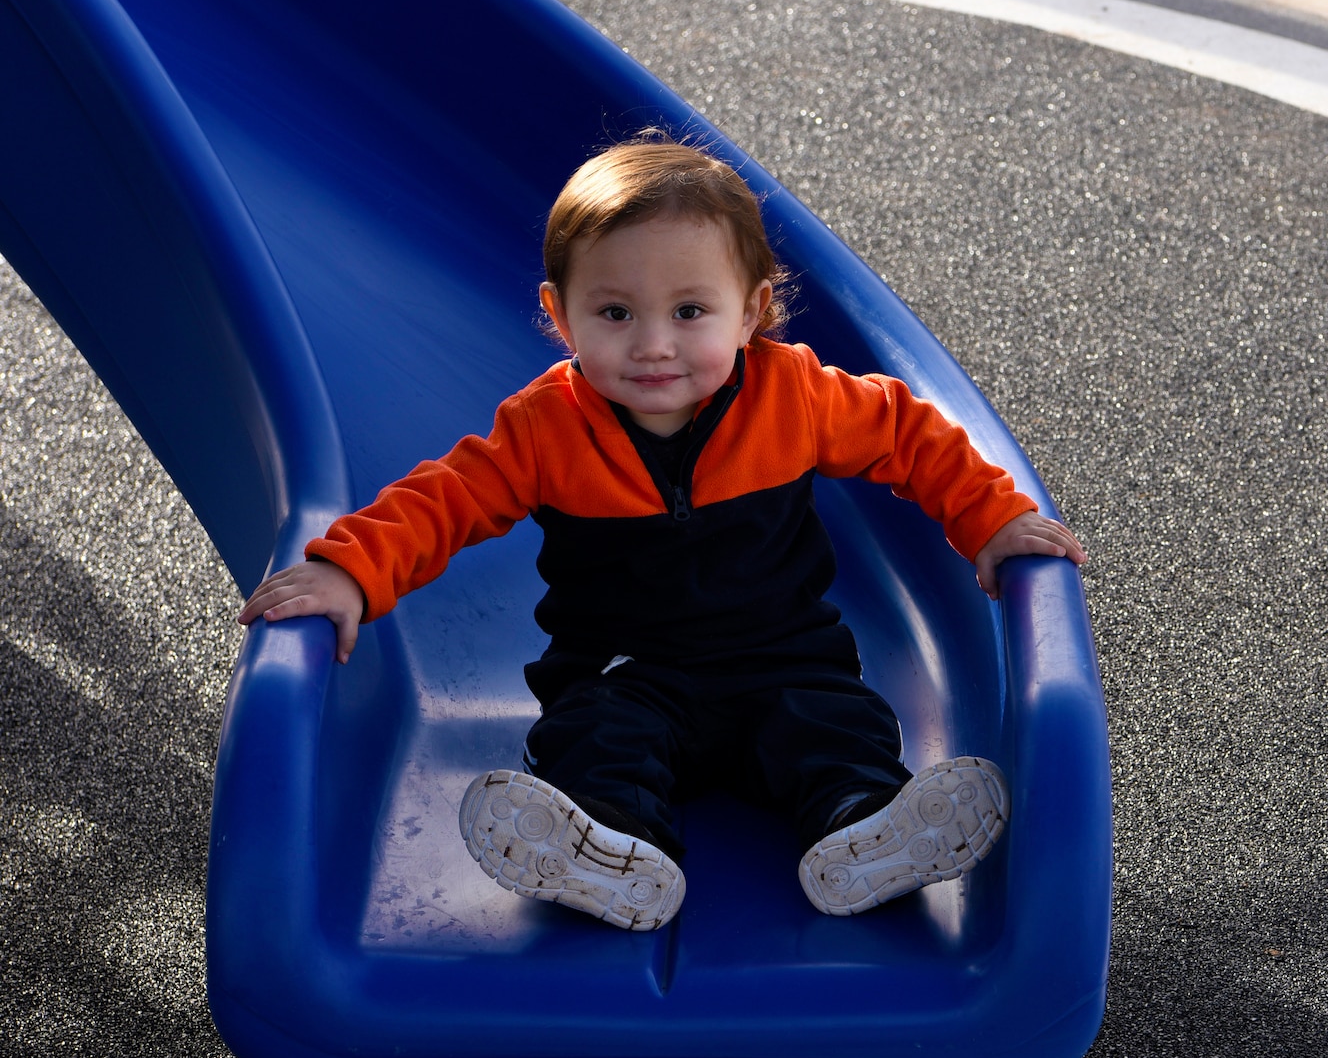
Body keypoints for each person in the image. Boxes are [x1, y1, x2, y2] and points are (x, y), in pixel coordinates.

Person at [236, 136, 1084, 932]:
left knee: (837, 729)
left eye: (688, 311)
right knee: (597, 743)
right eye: (613, 312)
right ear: (559, 316)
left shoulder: (795, 397)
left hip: (784, 657)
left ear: (751, 310)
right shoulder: (546, 429)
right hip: (627, 673)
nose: (652, 346)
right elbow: (443, 501)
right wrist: (349, 572)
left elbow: (910, 435)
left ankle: (866, 835)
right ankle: (607, 853)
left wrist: (993, 519)